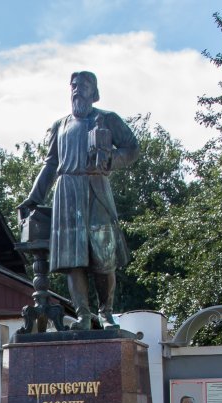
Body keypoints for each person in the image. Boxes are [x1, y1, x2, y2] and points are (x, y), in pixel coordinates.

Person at [21, 71, 140, 330]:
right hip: (67, 193)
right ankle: (83, 315)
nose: (77, 89)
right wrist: (33, 197)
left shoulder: (106, 119)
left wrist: (109, 160)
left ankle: (106, 313)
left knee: (103, 253)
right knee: (72, 258)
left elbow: (132, 148)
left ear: (94, 92)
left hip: (95, 187)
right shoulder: (59, 125)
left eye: (83, 85)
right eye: (73, 85)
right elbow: (51, 164)